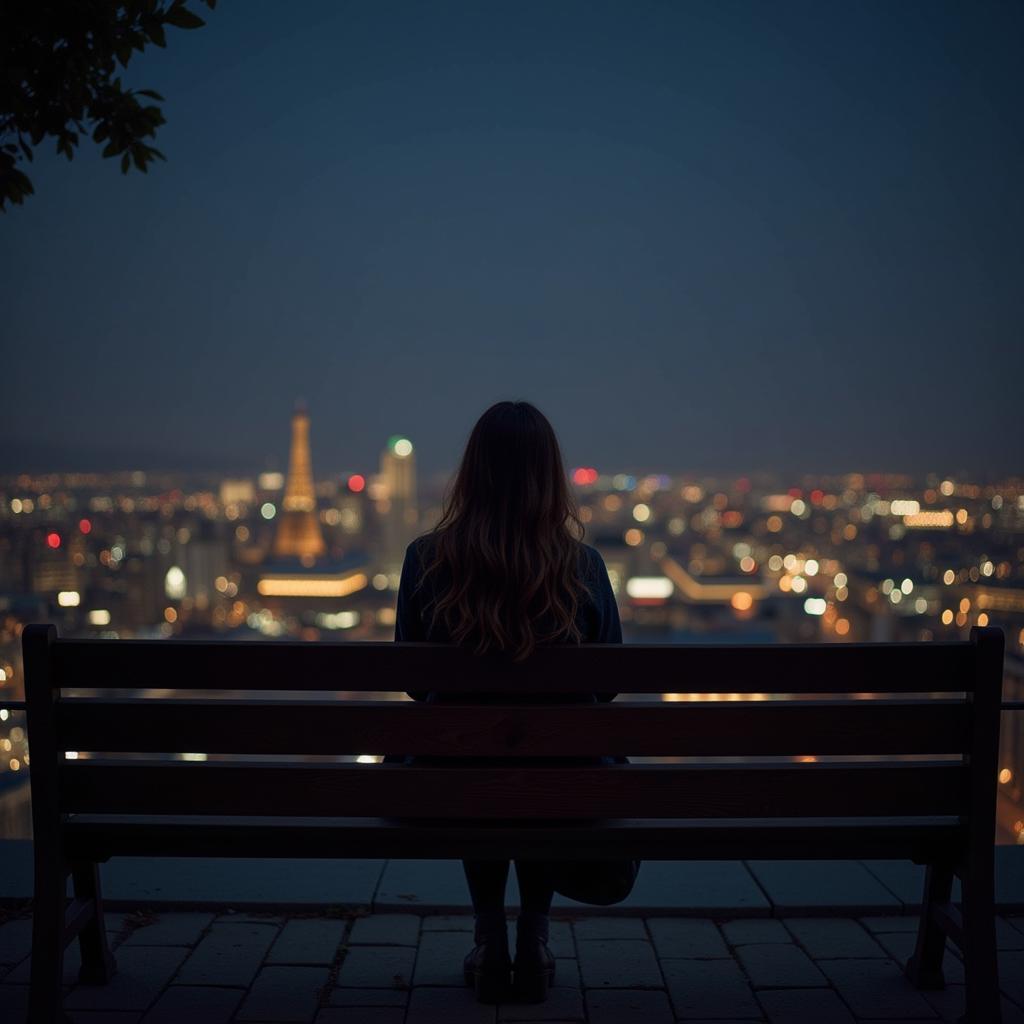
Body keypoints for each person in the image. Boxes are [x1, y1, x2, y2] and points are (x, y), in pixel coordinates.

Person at [393, 400, 623, 1004]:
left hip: (450, 784)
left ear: (472, 473)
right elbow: (608, 683)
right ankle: (535, 938)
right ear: (550, 477)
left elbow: (415, 684)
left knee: (484, 778)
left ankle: (490, 935)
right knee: (543, 775)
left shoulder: (425, 559)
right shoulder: (585, 567)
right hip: (564, 784)